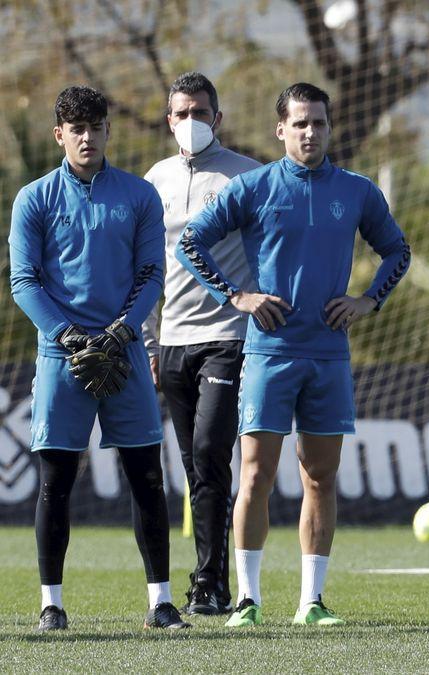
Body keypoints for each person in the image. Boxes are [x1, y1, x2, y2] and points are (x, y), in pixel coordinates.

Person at [177, 82, 411, 628]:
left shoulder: (356, 191)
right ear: (281, 129)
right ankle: (247, 600)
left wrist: (368, 300)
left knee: (320, 478)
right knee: (255, 475)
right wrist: (236, 295)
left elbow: (398, 249)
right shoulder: (254, 187)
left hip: (328, 356)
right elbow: (193, 241)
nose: (311, 132)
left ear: (330, 128)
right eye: (300, 123)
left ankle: (312, 601)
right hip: (269, 353)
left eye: (319, 123)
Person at [9, 85, 189, 631]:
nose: (87, 137)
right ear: (59, 134)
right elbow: (24, 282)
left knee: (146, 476)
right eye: (76, 129)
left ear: (109, 130)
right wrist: (66, 337)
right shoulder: (34, 198)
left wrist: (120, 331)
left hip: (123, 352)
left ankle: (160, 602)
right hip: (62, 357)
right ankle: (51, 604)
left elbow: (151, 275)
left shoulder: (138, 196)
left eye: (96, 127)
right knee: (54, 480)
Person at [143, 71, 261, 615]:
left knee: (213, 453)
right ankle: (208, 576)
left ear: (219, 117)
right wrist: (146, 340)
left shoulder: (248, 176)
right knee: (195, 466)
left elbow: (272, 250)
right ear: (169, 120)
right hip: (171, 342)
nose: (190, 122)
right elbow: (143, 267)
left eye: (200, 112)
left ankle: (210, 582)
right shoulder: (155, 180)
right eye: (180, 113)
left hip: (227, 339)